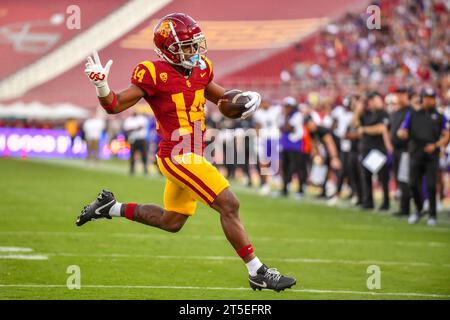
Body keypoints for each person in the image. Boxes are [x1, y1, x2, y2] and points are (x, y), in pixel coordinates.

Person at [76, 13, 296, 291]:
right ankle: (257, 271)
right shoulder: (152, 72)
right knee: (229, 204)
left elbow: (223, 101)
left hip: (193, 152)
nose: (194, 51)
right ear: (168, 49)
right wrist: (101, 86)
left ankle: (110, 207)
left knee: (172, 221)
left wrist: (242, 102)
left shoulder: (201, 68)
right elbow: (114, 105)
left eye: (195, 44)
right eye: (187, 46)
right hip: (176, 154)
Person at [397, 88, 450, 226]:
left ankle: (432, 215)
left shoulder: (439, 116)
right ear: (422, 98)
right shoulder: (413, 114)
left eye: (431, 97)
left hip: (432, 155)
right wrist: (401, 133)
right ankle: (419, 208)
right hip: (415, 153)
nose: (429, 100)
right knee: (413, 184)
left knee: (432, 186)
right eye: (426, 97)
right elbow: (403, 129)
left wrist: (436, 145)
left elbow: (447, 135)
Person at [353, 92, 393, 211]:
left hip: (378, 150)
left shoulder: (383, 114)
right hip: (366, 149)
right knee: (366, 176)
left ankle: (386, 202)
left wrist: (365, 129)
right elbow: (355, 124)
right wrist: (358, 109)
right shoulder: (366, 114)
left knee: (382, 178)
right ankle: (368, 201)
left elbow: (381, 128)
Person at [389, 87, 412, 217]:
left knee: (404, 179)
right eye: (398, 94)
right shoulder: (396, 112)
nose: (400, 97)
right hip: (396, 149)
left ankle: (406, 208)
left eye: (402, 94)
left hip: (406, 149)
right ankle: (403, 207)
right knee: (399, 178)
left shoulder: (410, 111)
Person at [279, 97, 306, 198]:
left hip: (295, 145)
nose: (286, 108)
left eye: (288, 106)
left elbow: (288, 128)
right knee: (285, 167)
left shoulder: (297, 115)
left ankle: (301, 190)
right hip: (286, 144)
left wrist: (284, 124)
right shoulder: (285, 115)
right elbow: (281, 127)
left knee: (297, 168)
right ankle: (284, 189)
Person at [123, 111, 150, 175]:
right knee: (132, 154)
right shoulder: (129, 119)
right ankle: (132, 169)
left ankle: (145, 169)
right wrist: (136, 128)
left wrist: (132, 129)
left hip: (142, 139)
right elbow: (126, 129)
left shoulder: (142, 118)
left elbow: (142, 127)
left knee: (144, 154)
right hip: (133, 139)